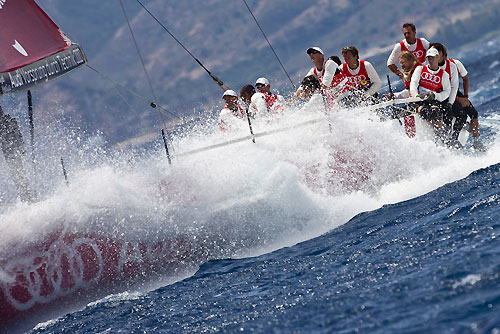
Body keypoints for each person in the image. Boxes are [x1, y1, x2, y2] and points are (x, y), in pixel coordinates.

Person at [431, 43, 485, 150]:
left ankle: (476, 142)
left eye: (437, 53)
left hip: (455, 93)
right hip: (442, 96)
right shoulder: (431, 68)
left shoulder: (455, 64)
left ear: (443, 54)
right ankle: (453, 139)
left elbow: (465, 79)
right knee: (461, 114)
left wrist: (465, 96)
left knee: (474, 113)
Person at [409, 48, 451, 132]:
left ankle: (441, 135)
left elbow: (447, 92)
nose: (430, 60)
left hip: (433, 99)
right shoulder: (420, 69)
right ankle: (430, 132)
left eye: (432, 57)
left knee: (436, 113)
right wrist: (416, 96)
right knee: (425, 112)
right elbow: (413, 84)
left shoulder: (444, 75)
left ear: (438, 58)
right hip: (419, 99)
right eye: (429, 58)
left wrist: (435, 95)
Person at [0, 105, 34, 202]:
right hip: (11, 147)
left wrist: (21, 147)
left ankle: (27, 196)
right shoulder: (7, 122)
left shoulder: (6, 122)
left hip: (11, 149)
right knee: (17, 171)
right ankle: (27, 196)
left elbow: (16, 135)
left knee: (17, 171)